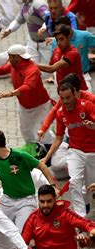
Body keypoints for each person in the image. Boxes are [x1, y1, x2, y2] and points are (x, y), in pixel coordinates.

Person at [0, 44, 55, 146]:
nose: (8, 58)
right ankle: (33, 148)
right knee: (26, 129)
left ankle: (50, 146)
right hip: (24, 105)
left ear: (17, 57)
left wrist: (11, 93)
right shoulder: (14, 65)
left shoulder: (32, 69)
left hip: (40, 106)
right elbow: (3, 69)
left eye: (10, 56)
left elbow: (28, 86)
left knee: (42, 129)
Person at [0, 129, 57, 230]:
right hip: (7, 203)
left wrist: (53, 186)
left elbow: (42, 166)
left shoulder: (20, 155)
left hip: (26, 202)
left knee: (21, 235)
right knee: (4, 234)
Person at [41, 83, 95, 217]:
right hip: (75, 151)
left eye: (68, 97)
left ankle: (87, 203)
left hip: (92, 153)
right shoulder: (60, 113)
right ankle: (80, 217)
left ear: (74, 95)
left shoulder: (87, 106)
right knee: (74, 181)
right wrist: (46, 159)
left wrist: (94, 126)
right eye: (62, 98)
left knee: (90, 187)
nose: (66, 102)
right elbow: (58, 138)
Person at [50, 16, 95, 92]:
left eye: (61, 30)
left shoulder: (84, 36)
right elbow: (53, 63)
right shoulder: (55, 42)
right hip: (64, 82)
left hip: (83, 78)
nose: (59, 41)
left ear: (69, 27)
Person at [38, 25, 88, 91]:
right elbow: (50, 66)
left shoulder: (73, 53)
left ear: (68, 38)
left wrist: (32, 64)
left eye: (61, 39)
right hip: (64, 92)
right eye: (56, 40)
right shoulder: (56, 50)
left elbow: (51, 68)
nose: (58, 43)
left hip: (78, 92)